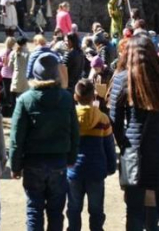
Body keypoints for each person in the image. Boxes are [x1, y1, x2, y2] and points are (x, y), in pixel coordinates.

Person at [109, 36, 159, 231]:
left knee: (135, 210)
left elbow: (115, 121)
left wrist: (124, 145)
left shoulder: (122, 79)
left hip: (136, 153)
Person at [10, 52, 79, 231]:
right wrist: (71, 159)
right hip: (58, 162)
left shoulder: (25, 100)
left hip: (34, 164)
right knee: (56, 212)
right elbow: (74, 132)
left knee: (34, 210)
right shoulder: (65, 98)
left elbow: (17, 137)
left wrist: (15, 165)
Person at [67, 79, 116, 231]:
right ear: (93, 96)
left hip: (74, 170)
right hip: (96, 170)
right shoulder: (103, 119)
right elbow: (109, 146)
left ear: (75, 97)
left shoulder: (70, 118)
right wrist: (111, 167)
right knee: (96, 209)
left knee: (74, 208)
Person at [0, 37, 16, 115]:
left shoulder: (2, 51)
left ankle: (4, 105)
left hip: (4, 74)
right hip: (13, 74)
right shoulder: (14, 52)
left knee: (6, 91)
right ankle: (10, 106)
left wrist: (1, 65)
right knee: (11, 92)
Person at [9, 37, 30, 102]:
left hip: (16, 76)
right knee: (26, 96)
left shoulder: (13, 53)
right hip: (26, 77)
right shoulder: (28, 53)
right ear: (25, 44)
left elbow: (10, 65)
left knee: (18, 96)